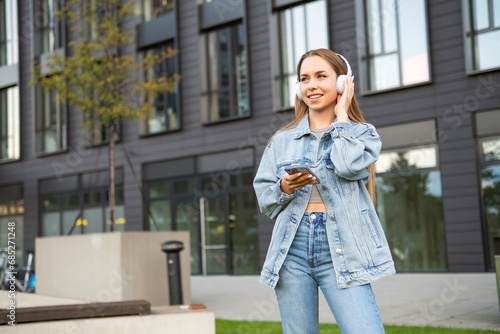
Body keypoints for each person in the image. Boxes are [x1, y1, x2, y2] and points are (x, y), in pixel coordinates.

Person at [253, 48, 396, 333]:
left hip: (343, 246)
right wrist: (284, 187)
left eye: (321, 76)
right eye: (304, 78)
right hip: (292, 248)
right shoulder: (281, 141)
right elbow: (265, 200)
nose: (311, 85)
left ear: (343, 83)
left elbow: (346, 165)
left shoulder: (362, 134)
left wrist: (342, 116)